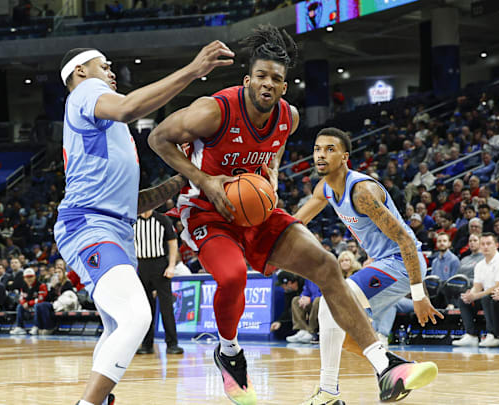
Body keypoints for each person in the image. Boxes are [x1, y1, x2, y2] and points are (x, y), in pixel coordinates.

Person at [149, 27, 439, 404]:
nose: (268, 84)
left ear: (285, 86)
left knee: (326, 264)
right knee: (233, 275)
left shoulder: (290, 117)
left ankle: (385, 367)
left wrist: (270, 172)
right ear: (247, 79)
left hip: (257, 210)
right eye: (261, 76)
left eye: (277, 79)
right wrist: (205, 180)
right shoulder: (213, 110)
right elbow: (157, 138)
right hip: (208, 212)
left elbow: (276, 146)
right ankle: (230, 352)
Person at [54, 41, 233, 405]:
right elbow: (129, 107)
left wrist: (188, 179)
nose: (110, 72)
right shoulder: (88, 93)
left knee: (119, 326)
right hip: (91, 226)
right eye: (104, 65)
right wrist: (192, 70)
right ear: (80, 72)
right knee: (138, 317)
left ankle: (100, 400)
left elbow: (135, 203)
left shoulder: (106, 126)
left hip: (115, 227)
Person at [287, 128, 442, 404]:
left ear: (345, 157)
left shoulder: (362, 192)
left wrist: (419, 294)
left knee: (328, 303)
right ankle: (394, 367)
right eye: (317, 149)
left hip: (403, 262)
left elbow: (406, 240)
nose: (321, 154)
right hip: (384, 262)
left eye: (330, 149)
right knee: (344, 334)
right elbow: (295, 223)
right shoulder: (324, 188)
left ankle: (329, 392)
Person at [134, 209, 183, 355]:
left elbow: (173, 242)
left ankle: (172, 344)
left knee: (166, 306)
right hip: (141, 265)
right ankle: (146, 344)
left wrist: (171, 265)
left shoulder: (162, 220)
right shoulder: (133, 222)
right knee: (145, 308)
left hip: (160, 264)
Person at [452, 233, 499, 347]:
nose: (485, 247)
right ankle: (471, 335)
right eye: (483, 244)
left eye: (488, 243)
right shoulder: (480, 265)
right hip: (485, 297)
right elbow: (477, 286)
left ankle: (493, 335)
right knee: (463, 300)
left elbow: (497, 287)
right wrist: (470, 294)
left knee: (487, 298)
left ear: (496, 245)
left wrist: (476, 296)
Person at [10, 268, 48, 335]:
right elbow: (21, 298)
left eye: (31, 277)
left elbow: (41, 299)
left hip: (41, 306)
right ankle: (20, 327)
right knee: (20, 306)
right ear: (24, 278)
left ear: (35, 277)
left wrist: (29, 303)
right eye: (27, 277)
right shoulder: (23, 286)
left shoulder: (41, 285)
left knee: (37, 306)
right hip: (29, 306)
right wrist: (24, 303)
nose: (29, 279)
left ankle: (36, 326)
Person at [286, 278, 321, 344]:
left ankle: (312, 332)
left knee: (317, 301)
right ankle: (303, 330)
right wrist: (302, 298)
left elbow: (327, 293)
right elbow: (306, 291)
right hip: (313, 302)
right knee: (296, 300)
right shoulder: (308, 277)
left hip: (324, 303)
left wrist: (311, 299)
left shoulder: (326, 274)